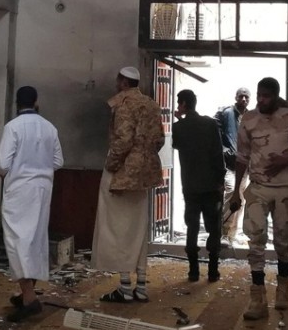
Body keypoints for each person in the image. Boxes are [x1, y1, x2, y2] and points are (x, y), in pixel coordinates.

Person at [229, 76, 288, 319]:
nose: (261, 100)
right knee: (255, 241)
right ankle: (257, 299)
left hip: (285, 189)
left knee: (283, 242)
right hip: (257, 188)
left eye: (266, 96)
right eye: (259, 95)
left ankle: (283, 292)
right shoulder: (249, 119)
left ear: (276, 96)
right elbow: (242, 157)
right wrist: (236, 191)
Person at [91, 66, 165, 303]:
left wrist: (112, 165)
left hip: (122, 175)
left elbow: (123, 140)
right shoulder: (152, 104)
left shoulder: (122, 104)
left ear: (122, 82)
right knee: (138, 229)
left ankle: (124, 287)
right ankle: (141, 286)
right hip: (144, 175)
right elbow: (159, 139)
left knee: (118, 229)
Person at [0, 85, 64, 322]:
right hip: (43, 190)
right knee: (35, 240)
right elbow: (58, 161)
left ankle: (28, 299)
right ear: (36, 102)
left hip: (19, 190)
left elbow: (2, 165)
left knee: (17, 242)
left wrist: (19, 172)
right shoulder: (50, 127)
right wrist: (40, 170)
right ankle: (27, 291)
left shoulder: (12, 127)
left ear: (17, 103)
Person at [172, 89, 226, 282]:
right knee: (214, 228)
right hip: (211, 185)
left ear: (184, 104)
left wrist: (179, 120)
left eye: (179, 103)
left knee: (192, 227)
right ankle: (213, 271)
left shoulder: (179, 128)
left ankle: (193, 271)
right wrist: (221, 179)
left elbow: (177, 145)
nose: (178, 107)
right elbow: (218, 154)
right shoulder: (210, 124)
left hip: (190, 186)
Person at [215, 87, 250, 243]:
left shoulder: (250, 117)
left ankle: (232, 234)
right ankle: (224, 232)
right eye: (241, 96)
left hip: (245, 165)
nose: (243, 99)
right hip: (230, 164)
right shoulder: (227, 113)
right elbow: (214, 130)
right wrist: (223, 149)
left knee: (240, 198)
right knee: (231, 192)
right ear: (236, 97)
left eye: (246, 97)